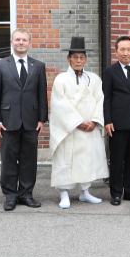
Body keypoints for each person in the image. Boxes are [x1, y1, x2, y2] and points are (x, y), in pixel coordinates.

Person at [0, 28, 48, 211]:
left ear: (29, 43)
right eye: (18, 39)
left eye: (24, 40)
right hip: (8, 121)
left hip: (31, 121)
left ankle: (26, 194)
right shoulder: (0, 65)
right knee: (8, 159)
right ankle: (10, 195)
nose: (21, 42)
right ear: (11, 42)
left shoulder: (38, 66)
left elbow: (41, 95)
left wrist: (42, 119)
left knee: (29, 159)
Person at [49, 37, 108, 209]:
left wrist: (95, 121)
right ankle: (64, 193)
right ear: (68, 59)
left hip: (89, 127)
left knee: (86, 159)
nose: (78, 60)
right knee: (65, 160)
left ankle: (85, 192)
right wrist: (76, 122)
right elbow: (59, 104)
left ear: (86, 59)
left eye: (82, 57)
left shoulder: (94, 78)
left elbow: (100, 100)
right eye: (75, 57)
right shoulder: (60, 79)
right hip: (70, 128)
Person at [103, 36, 130, 206]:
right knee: (116, 159)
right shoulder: (110, 71)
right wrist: (107, 120)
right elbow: (106, 98)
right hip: (117, 123)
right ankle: (116, 193)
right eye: (122, 49)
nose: (126, 53)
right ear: (116, 51)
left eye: (129, 49)